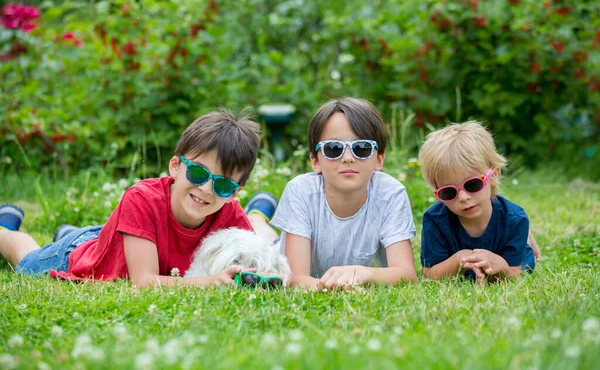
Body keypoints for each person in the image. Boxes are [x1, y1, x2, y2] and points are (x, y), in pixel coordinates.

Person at [0, 110, 263, 286]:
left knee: (99, 237)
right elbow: (145, 281)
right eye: (197, 172)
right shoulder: (142, 198)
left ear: (235, 193)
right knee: (26, 260)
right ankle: (7, 228)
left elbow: (259, 266)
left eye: (224, 186)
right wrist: (211, 282)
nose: (207, 189)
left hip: (117, 239)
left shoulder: (231, 215)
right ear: (175, 166)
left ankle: (77, 232)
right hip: (78, 256)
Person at [249, 97, 418, 290]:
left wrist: (364, 272)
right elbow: (296, 277)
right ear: (315, 162)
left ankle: (258, 214)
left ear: (379, 160)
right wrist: (337, 289)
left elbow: (407, 274)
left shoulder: (390, 194)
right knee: (264, 241)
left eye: (361, 148)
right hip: (283, 247)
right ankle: (256, 216)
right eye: (333, 149)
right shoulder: (301, 190)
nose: (347, 158)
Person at [418, 120, 541, 284]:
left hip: (510, 247)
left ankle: (526, 238)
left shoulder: (515, 220)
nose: (463, 197)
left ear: (494, 175)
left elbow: (514, 276)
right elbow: (428, 275)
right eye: (448, 192)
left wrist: (500, 265)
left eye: (472, 184)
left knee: (525, 254)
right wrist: (460, 259)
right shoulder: (434, 220)